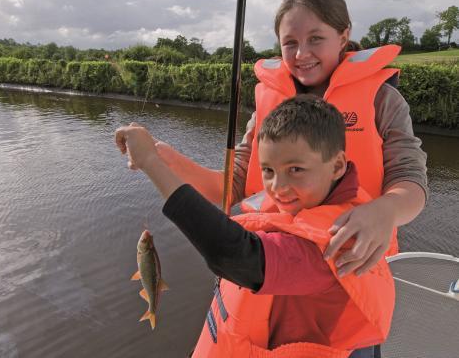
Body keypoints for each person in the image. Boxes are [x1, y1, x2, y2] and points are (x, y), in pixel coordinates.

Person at [154, 0, 427, 279]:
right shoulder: (268, 103)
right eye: (290, 43)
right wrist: (167, 160)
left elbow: (410, 181)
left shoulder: (383, 99)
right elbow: (233, 188)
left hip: (349, 267)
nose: (301, 54)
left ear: (343, 36)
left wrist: (385, 211)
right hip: (270, 261)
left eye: (316, 39)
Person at [115, 95, 395, 358]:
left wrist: (151, 163)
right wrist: (168, 159)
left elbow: (234, 255)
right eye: (268, 171)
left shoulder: (337, 242)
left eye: (295, 169)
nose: (278, 187)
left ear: (337, 167)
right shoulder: (302, 207)